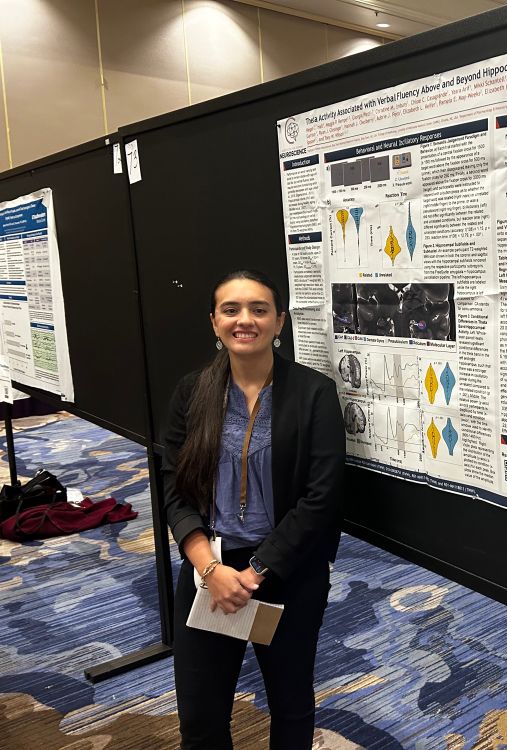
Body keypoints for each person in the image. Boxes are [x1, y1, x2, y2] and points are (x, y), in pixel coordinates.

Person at [162, 269, 345, 749]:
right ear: (214, 322)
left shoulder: (314, 394)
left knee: (290, 707)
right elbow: (174, 486)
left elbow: (321, 496)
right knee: (200, 719)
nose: (245, 320)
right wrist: (209, 567)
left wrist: (257, 571)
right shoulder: (191, 392)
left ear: (279, 321)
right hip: (209, 568)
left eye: (259, 309)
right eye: (231, 310)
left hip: (287, 571)